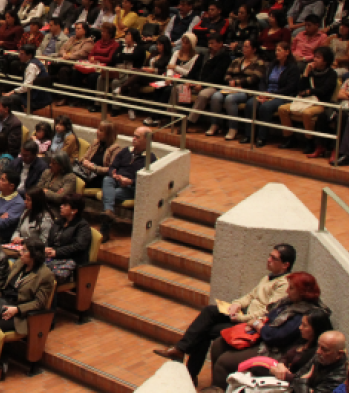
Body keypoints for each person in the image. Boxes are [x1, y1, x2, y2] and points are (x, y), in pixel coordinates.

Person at [155, 244, 296, 381]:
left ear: (285, 265)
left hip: (250, 326)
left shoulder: (283, 285)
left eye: (274, 258)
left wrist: (240, 318)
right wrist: (236, 304)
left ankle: (187, 366)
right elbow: (250, 296)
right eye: (269, 256)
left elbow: (266, 312)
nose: (268, 260)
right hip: (243, 315)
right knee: (210, 311)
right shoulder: (268, 277)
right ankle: (181, 351)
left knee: (204, 331)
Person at [209, 272, 328, 388]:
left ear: (302, 292)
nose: (287, 291)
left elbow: (275, 337)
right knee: (218, 345)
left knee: (223, 362)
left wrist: (256, 324)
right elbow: (270, 316)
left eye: (291, 288)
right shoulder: (288, 302)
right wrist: (260, 321)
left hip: (274, 351)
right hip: (262, 338)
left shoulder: (304, 314)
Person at [100, 127, 156, 239]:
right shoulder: (125, 151)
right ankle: (109, 212)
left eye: (137, 137)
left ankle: (105, 225)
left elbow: (149, 180)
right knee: (107, 180)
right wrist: (114, 174)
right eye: (133, 135)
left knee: (110, 195)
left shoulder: (151, 159)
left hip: (130, 188)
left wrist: (131, 181)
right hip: (116, 181)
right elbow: (112, 167)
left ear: (147, 140)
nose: (133, 138)